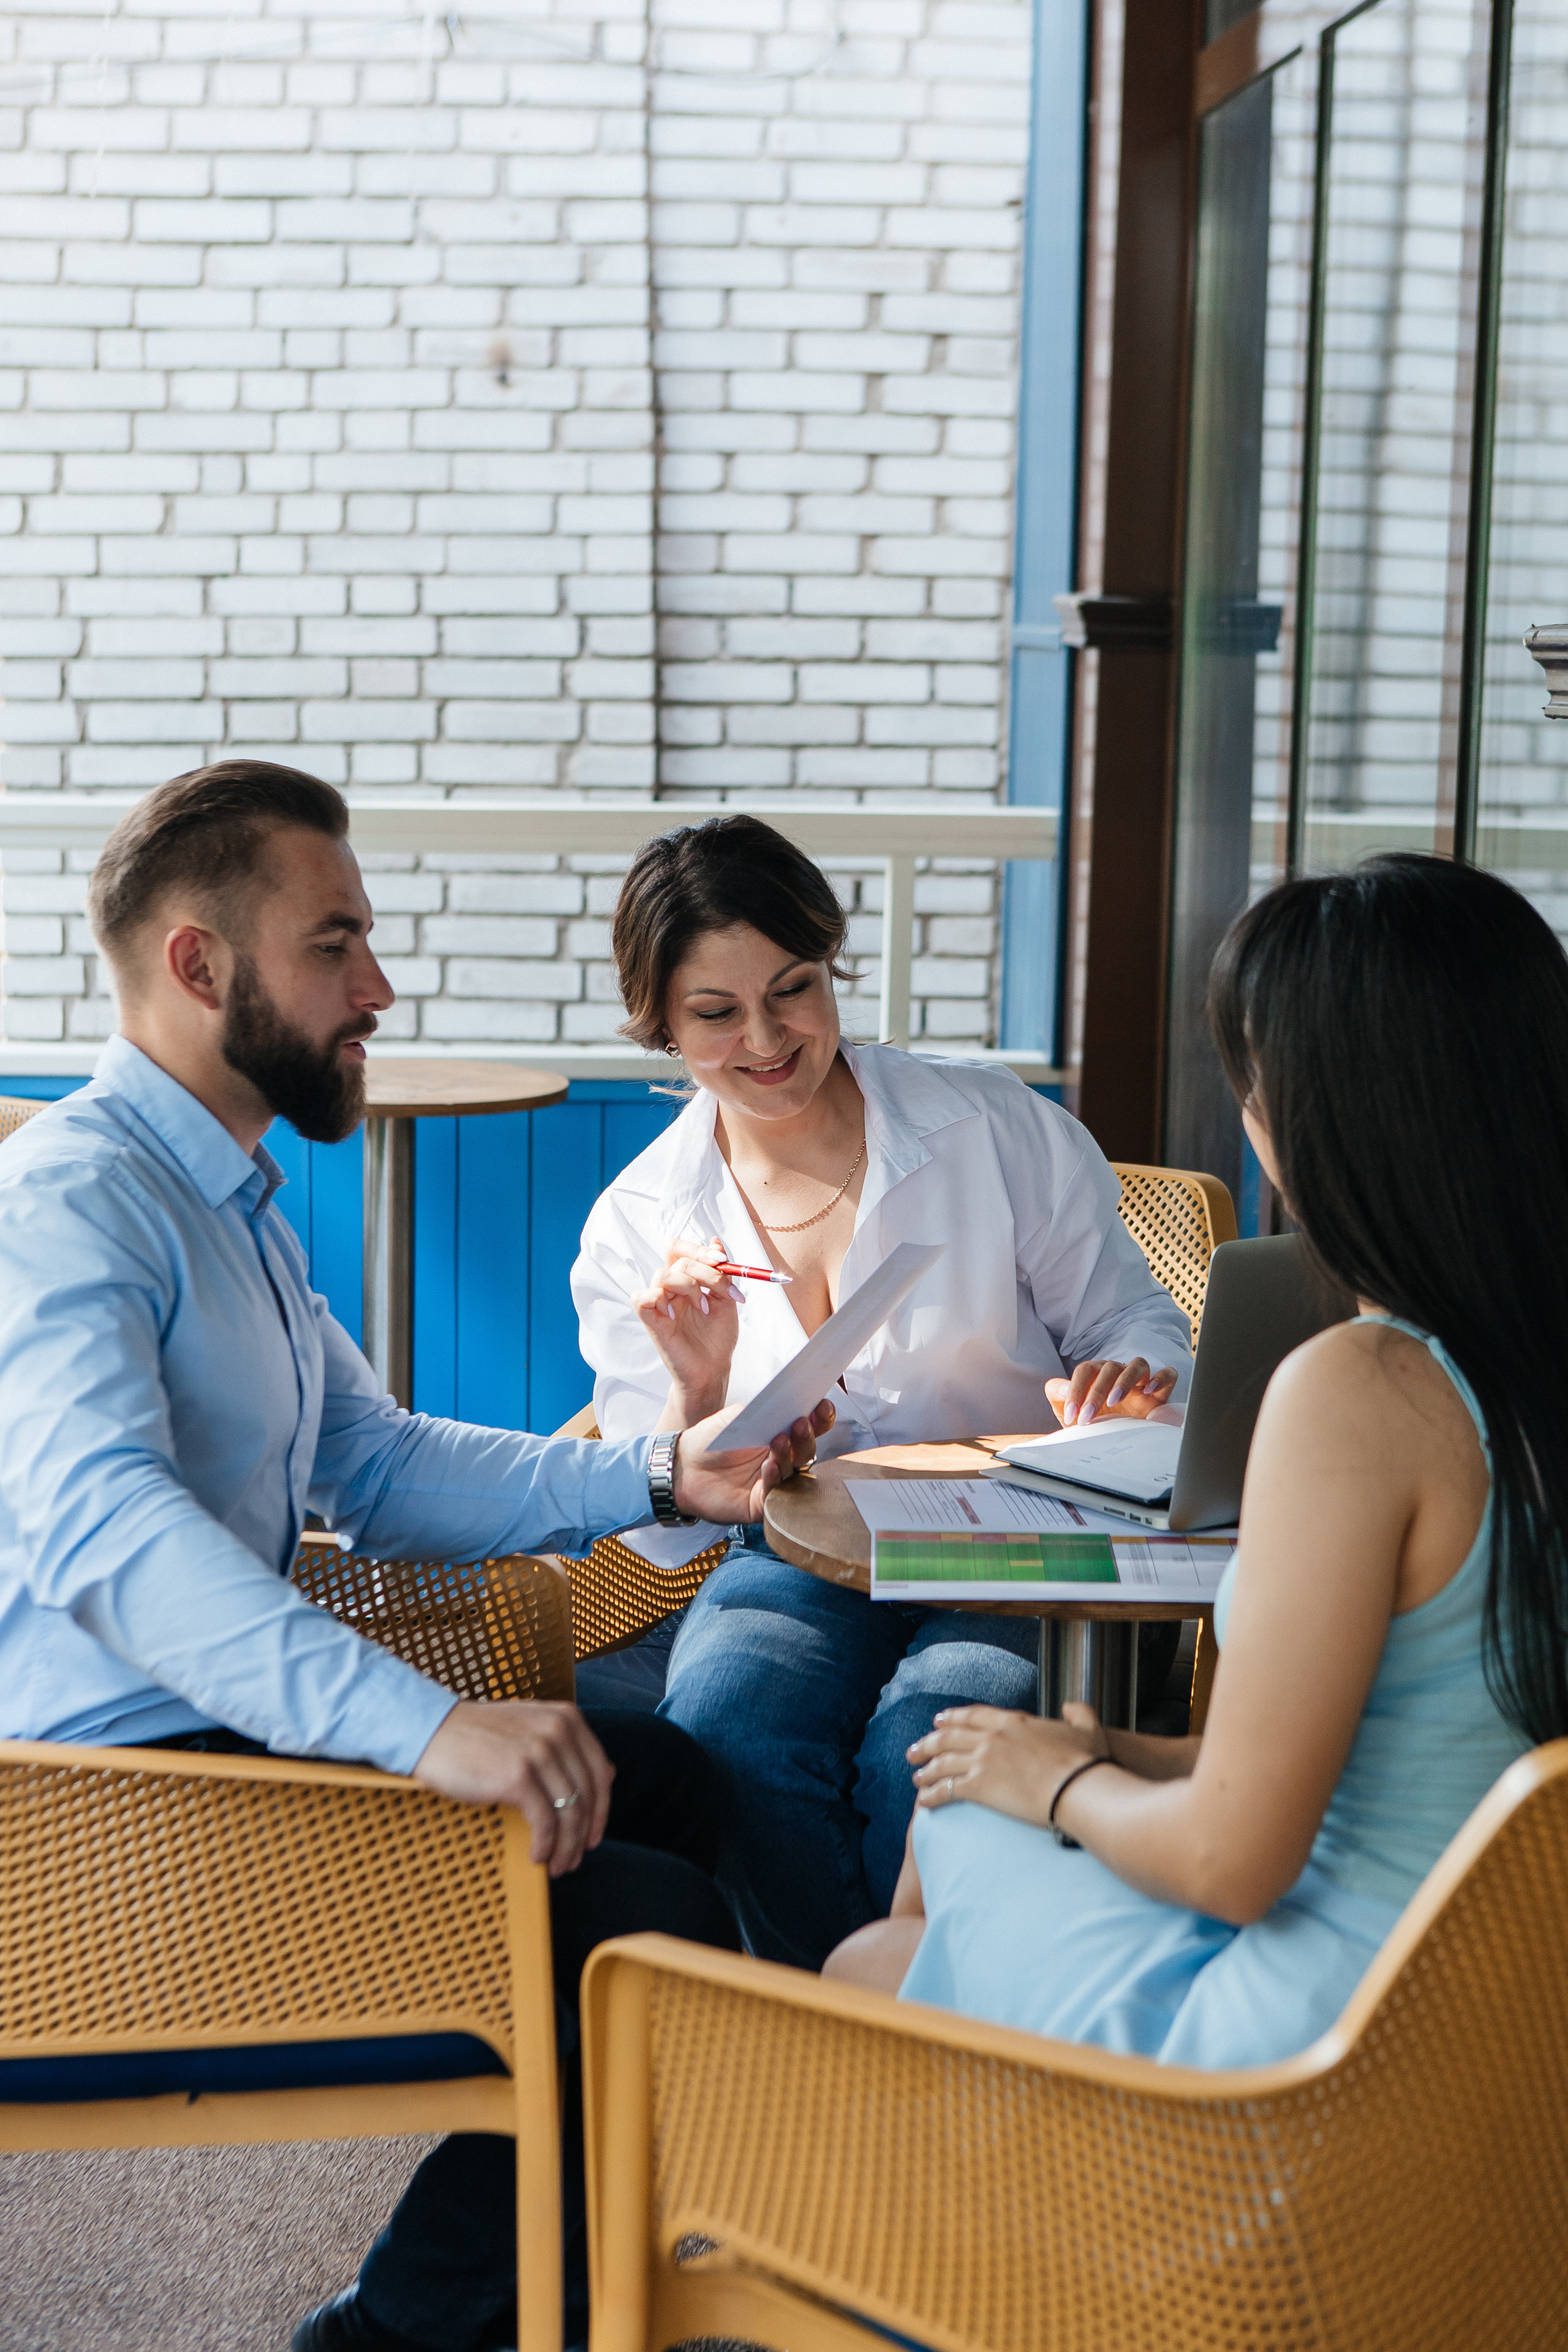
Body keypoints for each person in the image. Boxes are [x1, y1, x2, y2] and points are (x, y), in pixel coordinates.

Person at [0, 762, 831, 2352]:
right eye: (337, 946)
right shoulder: (71, 1206)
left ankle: (558, 2270)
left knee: (665, 1775)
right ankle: (401, 2335)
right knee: (641, 1927)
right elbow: (107, 1538)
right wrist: (427, 1725)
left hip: (200, 1759)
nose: (379, 987)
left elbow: (376, 1469)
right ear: (199, 966)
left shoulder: (225, 1201)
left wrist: (669, 1470)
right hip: (91, 1831)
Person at [824, 853, 1562, 2069]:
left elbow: (1229, 1860)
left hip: (1326, 2057)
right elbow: (1405, 1749)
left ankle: (1005, 2235)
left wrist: (1058, 1784)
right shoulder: (1511, 1370)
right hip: (1498, 2030)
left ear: (1328, 1115)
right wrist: (1104, 1752)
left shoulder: (1362, 1389)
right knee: (960, 1806)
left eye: (1252, 1083)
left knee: (887, 1931)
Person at [570, 815, 1193, 1969]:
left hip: (1009, 1549)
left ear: (831, 965)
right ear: (660, 1022)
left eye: (794, 989)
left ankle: (933, 2032)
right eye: (715, 1013)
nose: (766, 1038)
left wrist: (1129, 1377)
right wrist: (695, 1389)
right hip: (791, 1561)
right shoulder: (639, 1223)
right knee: (725, 1730)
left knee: (929, 1738)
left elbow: (1137, 1321)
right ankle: (834, 2031)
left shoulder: (993, 1128)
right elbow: (654, 1543)